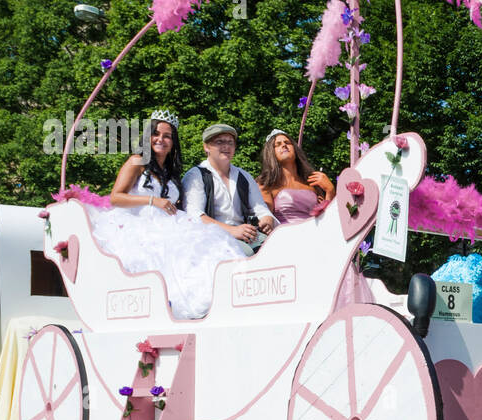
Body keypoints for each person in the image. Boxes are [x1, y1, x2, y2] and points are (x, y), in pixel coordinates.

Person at [90, 111, 245, 319]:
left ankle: (216, 301)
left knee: (205, 248)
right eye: (156, 134)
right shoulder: (137, 161)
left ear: (173, 142)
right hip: (139, 224)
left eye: (167, 136)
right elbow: (116, 197)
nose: (161, 139)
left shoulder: (170, 171)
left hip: (169, 224)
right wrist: (153, 201)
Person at [182, 124, 276, 254]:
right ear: (206, 147)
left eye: (230, 142)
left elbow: (259, 207)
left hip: (245, 233)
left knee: (276, 247)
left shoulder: (244, 176)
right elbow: (194, 215)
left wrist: (266, 218)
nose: (226, 146)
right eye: (219, 142)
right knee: (246, 253)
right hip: (210, 236)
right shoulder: (196, 175)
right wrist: (232, 231)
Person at [257, 129, 336, 223]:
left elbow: (328, 219)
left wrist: (330, 190)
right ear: (271, 152)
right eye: (277, 144)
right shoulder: (266, 184)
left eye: (287, 142)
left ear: (295, 148)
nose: (284, 145)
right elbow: (264, 220)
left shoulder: (313, 182)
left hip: (315, 235)